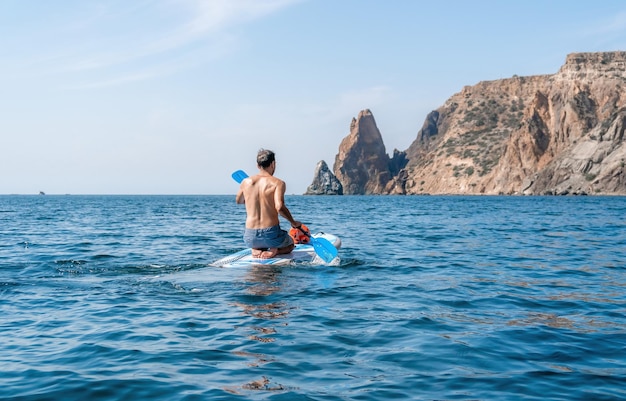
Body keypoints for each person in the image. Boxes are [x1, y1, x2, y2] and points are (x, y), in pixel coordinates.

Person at [236, 149, 302, 259]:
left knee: (258, 241)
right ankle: (275, 251)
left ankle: (256, 249)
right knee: (290, 244)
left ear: (258, 165)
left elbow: (239, 201)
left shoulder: (245, 182)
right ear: (273, 164)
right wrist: (293, 222)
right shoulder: (277, 183)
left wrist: (252, 197)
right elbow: (279, 207)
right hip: (270, 234)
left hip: (249, 237)